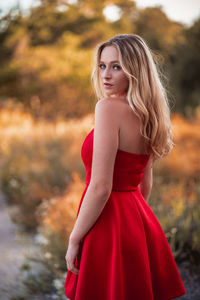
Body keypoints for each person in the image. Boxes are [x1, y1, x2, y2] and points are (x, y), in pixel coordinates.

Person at [64, 34, 186, 300]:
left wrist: (75, 238)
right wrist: (130, 223)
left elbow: (99, 187)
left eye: (117, 66)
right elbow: (145, 184)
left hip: (107, 221)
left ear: (136, 70)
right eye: (102, 65)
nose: (106, 74)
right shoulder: (149, 113)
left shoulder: (107, 108)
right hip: (138, 221)